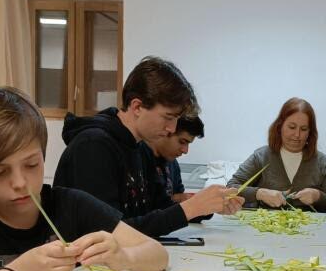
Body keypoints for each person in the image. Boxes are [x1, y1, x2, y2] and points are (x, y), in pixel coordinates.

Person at [0, 86, 168, 271]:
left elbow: (157, 254)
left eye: (32, 165)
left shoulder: (73, 206)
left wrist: (123, 256)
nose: (20, 183)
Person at [53, 56, 243, 237]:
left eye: (176, 119)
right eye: (168, 117)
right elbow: (106, 233)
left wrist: (207, 205)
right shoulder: (93, 146)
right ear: (137, 107)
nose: (172, 128)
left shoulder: (142, 148)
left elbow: (159, 208)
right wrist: (191, 208)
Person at [227, 97, 326, 212]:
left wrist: (318, 197)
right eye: (292, 127)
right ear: (280, 126)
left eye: (304, 129)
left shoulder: (322, 162)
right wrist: (259, 193)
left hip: (311, 229)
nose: (297, 134)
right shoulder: (261, 156)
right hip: (268, 228)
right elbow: (231, 188)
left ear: (310, 132)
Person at [147, 115, 205, 208]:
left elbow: (179, 207)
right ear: (165, 132)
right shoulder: (141, 160)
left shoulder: (172, 164)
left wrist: (205, 206)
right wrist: (174, 199)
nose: (185, 151)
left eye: (188, 144)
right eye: (182, 142)